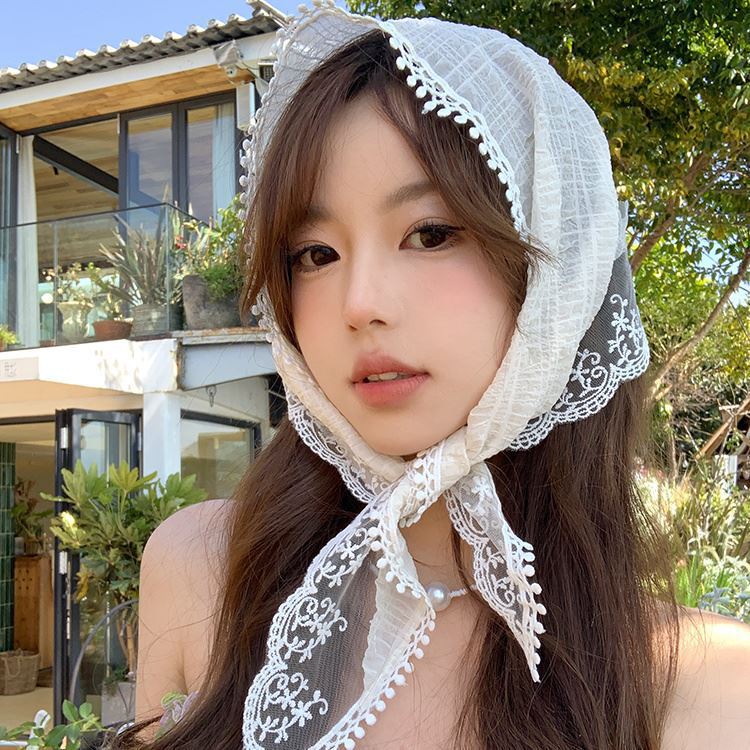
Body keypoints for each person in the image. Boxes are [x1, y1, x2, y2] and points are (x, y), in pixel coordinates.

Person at [111, 3, 750, 749]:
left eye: (432, 233)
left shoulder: (706, 685)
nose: (359, 304)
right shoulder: (200, 571)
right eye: (314, 254)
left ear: (559, 275)